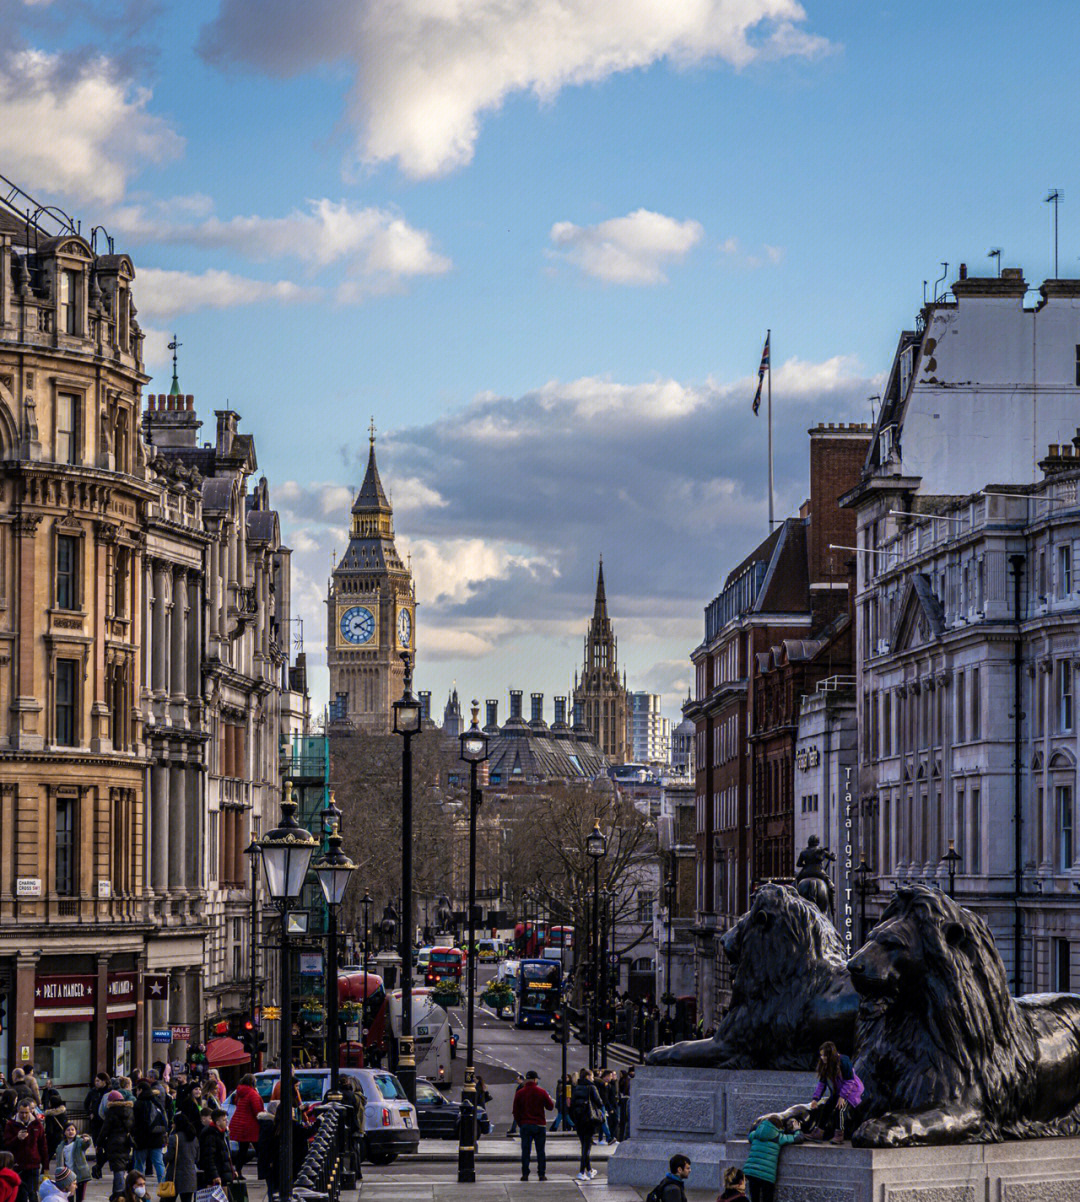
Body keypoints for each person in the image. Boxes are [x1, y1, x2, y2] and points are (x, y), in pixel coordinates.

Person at [806, 1041, 863, 1145]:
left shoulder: (844, 1061)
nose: (823, 1058)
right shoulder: (825, 1065)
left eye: (825, 1055)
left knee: (839, 1109)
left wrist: (842, 1097)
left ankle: (839, 1135)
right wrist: (815, 1098)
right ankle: (818, 1132)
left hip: (851, 1091)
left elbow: (849, 1081)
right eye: (821, 1055)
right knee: (827, 1107)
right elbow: (822, 1084)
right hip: (838, 1091)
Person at [743, 1114, 802, 1202]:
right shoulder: (778, 1137)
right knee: (767, 1198)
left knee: (754, 1198)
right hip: (766, 1175)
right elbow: (798, 1138)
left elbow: (750, 1136)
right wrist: (797, 1130)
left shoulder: (756, 1134)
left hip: (751, 1172)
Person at [511, 1070, 553, 1183]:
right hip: (539, 1125)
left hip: (525, 1125)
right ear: (535, 1080)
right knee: (540, 1151)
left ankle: (525, 1174)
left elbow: (515, 1111)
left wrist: (521, 1123)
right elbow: (550, 1107)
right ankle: (541, 1174)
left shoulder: (520, 1093)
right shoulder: (542, 1092)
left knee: (525, 1151)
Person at [4, 1097, 48, 1202]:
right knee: (20, 1196)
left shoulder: (37, 1124)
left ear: (30, 1111)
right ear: (17, 1111)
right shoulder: (11, 1125)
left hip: (33, 1165)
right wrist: (17, 1138)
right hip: (17, 1166)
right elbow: (5, 1145)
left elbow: (43, 1146)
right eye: (21, 1112)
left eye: (26, 1113)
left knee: (33, 1194)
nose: (24, 1115)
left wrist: (45, 1167)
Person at [98, 1091, 135, 1202]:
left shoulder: (112, 1111)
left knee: (118, 1168)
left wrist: (99, 1143)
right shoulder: (129, 1110)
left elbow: (105, 1129)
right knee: (121, 1166)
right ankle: (117, 1193)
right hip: (126, 1142)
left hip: (114, 1142)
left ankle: (119, 1194)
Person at [569, 1069, 604, 1181]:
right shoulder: (591, 1087)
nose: (593, 1078)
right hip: (589, 1119)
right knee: (587, 1147)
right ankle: (581, 1172)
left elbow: (572, 1104)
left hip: (579, 1120)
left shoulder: (576, 1087)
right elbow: (599, 1102)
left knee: (584, 1144)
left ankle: (589, 1170)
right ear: (588, 1077)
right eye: (592, 1076)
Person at [227, 1076, 263, 1180]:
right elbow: (258, 1111)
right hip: (251, 1126)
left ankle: (237, 1171)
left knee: (242, 1151)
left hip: (240, 1124)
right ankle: (262, 1172)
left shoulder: (240, 1093)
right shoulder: (253, 1094)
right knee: (260, 1150)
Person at [132, 1080, 168, 1183]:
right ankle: (163, 1186)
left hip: (142, 1139)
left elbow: (134, 1122)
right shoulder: (157, 1102)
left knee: (139, 1164)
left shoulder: (138, 1103)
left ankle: (138, 1185)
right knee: (158, 1163)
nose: (136, 1092)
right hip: (157, 1138)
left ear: (141, 1090)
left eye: (137, 1090)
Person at [163, 1112, 199, 1202]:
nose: (172, 1125)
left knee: (167, 1200)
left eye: (173, 1123)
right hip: (190, 1177)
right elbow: (197, 1158)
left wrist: (164, 1156)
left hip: (175, 1177)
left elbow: (169, 1157)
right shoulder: (194, 1138)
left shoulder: (174, 1138)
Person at [52, 1124, 91, 1202]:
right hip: (68, 1175)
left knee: (79, 1198)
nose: (71, 1132)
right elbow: (59, 1162)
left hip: (80, 1174)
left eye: (73, 1130)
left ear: (76, 1131)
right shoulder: (61, 1146)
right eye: (68, 1130)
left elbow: (87, 1143)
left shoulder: (80, 1141)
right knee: (69, 1197)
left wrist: (87, 1139)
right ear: (64, 1132)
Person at [196, 1110, 233, 1190]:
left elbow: (227, 1155)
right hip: (216, 1177)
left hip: (222, 1174)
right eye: (224, 1120)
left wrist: (232, 1170)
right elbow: (209, 1157)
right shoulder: (211, 1135)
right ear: (217, 1122)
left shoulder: (223, 1133)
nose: (227, 1121)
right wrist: (214, 1175)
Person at [84, 1076, 110, 1180]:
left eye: (98, 1081)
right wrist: (89, 1113)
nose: (96, 1083)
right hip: (96, 1123)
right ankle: (98, 1168)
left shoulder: (109, 1092)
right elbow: (86, 1103)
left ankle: (99, 1165)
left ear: (104, 1081)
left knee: (107, 1147)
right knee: (98, 1146)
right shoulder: (93, 1092)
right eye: (95, 1081)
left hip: (106, 1123)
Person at [38, 1084, 66, 1161]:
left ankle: (45, 1172)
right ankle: (64, 1172)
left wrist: (46, 1137)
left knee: (47, 1157)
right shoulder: (63, 1113)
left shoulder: (50, 1114)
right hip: (62, 1137)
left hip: (52, 1139)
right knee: (62, 1158)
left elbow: (49, 1130)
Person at [617, 1070, 630, 1142]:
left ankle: (621, 1137)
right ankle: (622, 1136)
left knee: (623, 1119)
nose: (620, 1075)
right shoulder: (625, 1080)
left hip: (623, 1099)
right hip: (624, 1099)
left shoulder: (624, 1081)